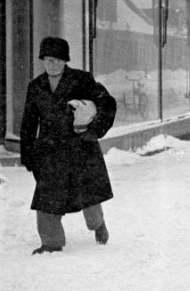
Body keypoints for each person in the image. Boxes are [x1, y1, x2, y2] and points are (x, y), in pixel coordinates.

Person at [20, 36, 117, 255]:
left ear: (65, 60)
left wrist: (95, 130)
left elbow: (106, 102)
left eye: (56, 59)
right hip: (50, 151)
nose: (51, 64)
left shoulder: (81, 80)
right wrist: (27, 152)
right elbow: (28, 122)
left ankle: (98, 225)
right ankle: (51, 243)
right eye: (46, 59)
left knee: (88, 196)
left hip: (80, 148)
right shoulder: (36, 86)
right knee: (46, 198)